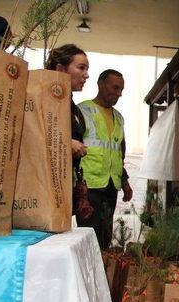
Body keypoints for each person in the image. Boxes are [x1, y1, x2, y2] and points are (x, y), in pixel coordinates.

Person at [78, 69, 132, 249]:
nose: (119, 94)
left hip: (110, 185)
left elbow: (119, 153)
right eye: (115, 88)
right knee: (88, 238)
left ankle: (102, 273)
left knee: (105, 237)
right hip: (89, 186)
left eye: (121, 90)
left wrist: (124, 181)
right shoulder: (83, 111)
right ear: (101, 85)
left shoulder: (119, 117)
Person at [46, 44, 94, 221]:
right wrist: (67, 143)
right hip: (42, 190)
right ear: (60, 69)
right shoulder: (40, 99)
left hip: (64, 187)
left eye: (87, 69)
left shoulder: (73, 108)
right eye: (81, 67)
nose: (86, 75)